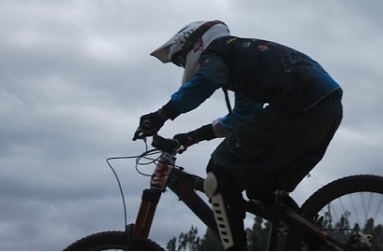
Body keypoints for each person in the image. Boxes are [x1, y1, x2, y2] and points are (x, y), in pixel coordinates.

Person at [135, 20, 343, 250]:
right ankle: (321, 246)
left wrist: (160, 116)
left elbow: (205, 81)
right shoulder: (245, 60)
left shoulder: (218, 49)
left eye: (180, 61)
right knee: (262, 191)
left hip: (299, 105)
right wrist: (193, 136)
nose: (184, 66)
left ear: (193, 45)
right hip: (326, 109)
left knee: (220, 173)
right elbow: (243, 117)